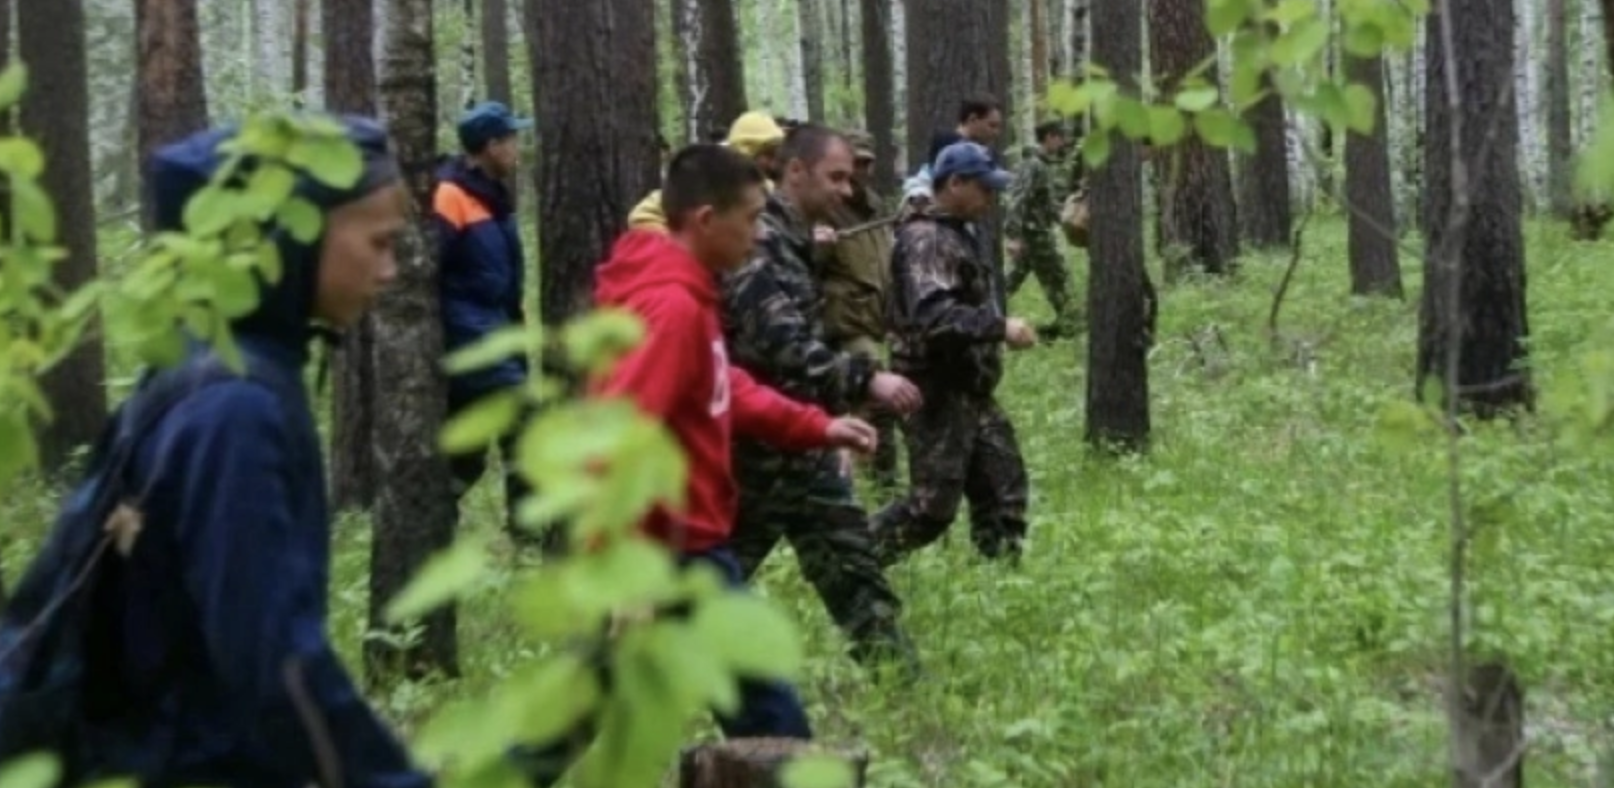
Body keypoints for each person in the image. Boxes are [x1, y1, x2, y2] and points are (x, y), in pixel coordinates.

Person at [0, 118, 430, 787]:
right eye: (378, 242)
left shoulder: (211, 370)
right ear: (297, 236)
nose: (390, 269)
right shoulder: (236, 410)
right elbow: (275, 663)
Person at [509, 144, 881, 787]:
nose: (762, 233)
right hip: (668, 555)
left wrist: (815, 425)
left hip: (681, 548)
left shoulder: (688, 295)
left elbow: (723, 386)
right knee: (774, 720)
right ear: (706, 219)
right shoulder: (672, 308)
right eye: (752, 218)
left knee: (575, 713)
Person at [718, 125, 920, 672]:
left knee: (853, 568)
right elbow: (782, 345)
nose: (845, 192)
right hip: (755, 453)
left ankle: (904, 682)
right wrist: (864, 380)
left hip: (802, 447)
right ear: (794, 172)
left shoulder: (796, 241)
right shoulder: (759, 245)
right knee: (708, 583)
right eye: (835, 177)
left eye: (850, 180)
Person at [873, 141, 1038, 567]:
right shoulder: (925, 239)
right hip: (936, 391)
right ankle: (852, 559)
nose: (990, 198)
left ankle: (999, 581)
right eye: (982, 188)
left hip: (971, 389)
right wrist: (999, 328)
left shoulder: (955, 232)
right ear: (955, 183)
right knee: (931, 508)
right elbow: (934, 317)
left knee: (1004, 488)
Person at [434, 100, 536, 542]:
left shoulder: (492, 195)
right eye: (512, 139)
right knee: (526, 413)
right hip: (468, 332)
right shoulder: (450, 194)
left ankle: (433, 516)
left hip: (497, 325)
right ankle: (529, 530)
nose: (518, 148)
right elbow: (429, 270)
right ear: (491, 145)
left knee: (469, 453)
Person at [818, 129, 901, 490]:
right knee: (876, 396)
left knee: (864, 402)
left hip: (874, 316)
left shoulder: (875, 204)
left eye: (867, 163)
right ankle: (882, 483)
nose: (862, 171)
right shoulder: (826, 208)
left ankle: (862, 471)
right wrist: (818, 244)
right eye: (856, 163)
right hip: (843, 322)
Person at [627, 110, 786, 231]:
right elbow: (642, 216)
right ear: (747, 152)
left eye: (777, 155)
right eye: (767, 154)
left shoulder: (770, 188)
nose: (773, 164)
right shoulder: (709, 178)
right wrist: (686, 253)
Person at [1005, 120, 1079, 339]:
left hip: (1036, 232)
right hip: (1034, 235)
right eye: (1060, 137)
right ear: (1049, 137)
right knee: (1058, 277)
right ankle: (1071, 324)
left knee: (1012, 279)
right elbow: (1018, 199)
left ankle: (986, 312)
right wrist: (1013, 236)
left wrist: (1064, 216)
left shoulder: (1043, 164)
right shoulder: (1033, 164)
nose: (1063, 142)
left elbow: (1043, 203)